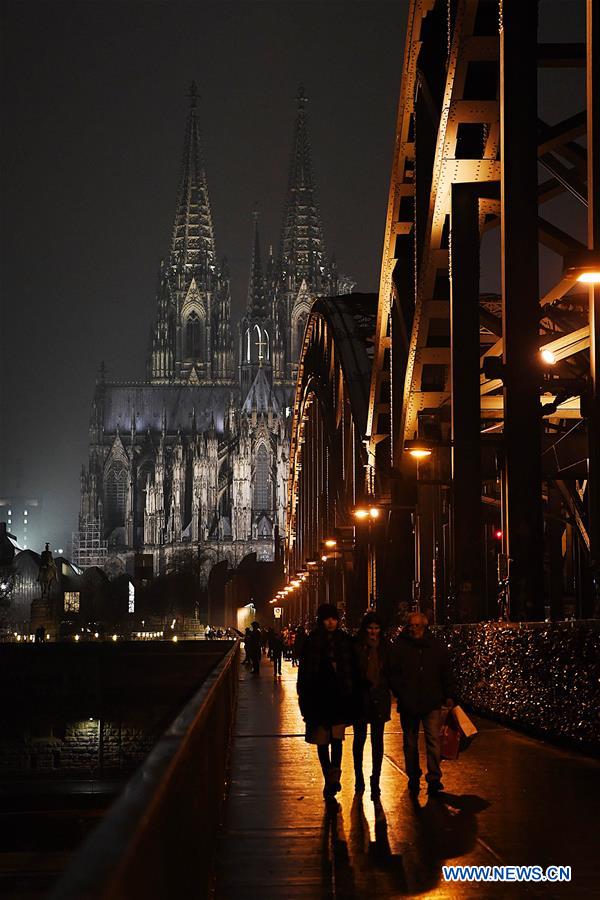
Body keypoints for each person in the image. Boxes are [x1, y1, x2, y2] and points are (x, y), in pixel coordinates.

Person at [297, 604, 360, 800]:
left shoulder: (344, 641)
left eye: (334, 618)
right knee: (323, 742)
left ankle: (334, 776)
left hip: (339, 699)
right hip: (319, 699)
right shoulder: (313, 642)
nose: (331, 622)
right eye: (327, 619)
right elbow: (305, 673)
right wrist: (304, 697)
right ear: (321, 620)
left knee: (336, 740)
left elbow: (354, 670)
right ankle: (330, 776)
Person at [390, 611, 455, 794]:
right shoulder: (402, 647)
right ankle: (414, 775)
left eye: (417, 625)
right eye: (411, 625)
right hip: (412, 700)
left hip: (430, 700)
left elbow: (445, 671)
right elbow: (394, 673)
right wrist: (401, 692)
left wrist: (448, 693)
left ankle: (433, 777)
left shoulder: (434, 647)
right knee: (411, 743)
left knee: (432, 741)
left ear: (424, 627)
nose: (414, 629)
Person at [353, 612, 392, 799]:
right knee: (359, 740)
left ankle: (375, 778)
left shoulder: (385, 648)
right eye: (370, 628)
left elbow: (392, 672)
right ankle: (358, 776)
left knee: (378, 741)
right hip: (361, 698)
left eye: (376, 628)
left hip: (380, 699)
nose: (373, 632)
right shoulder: (357, 647)